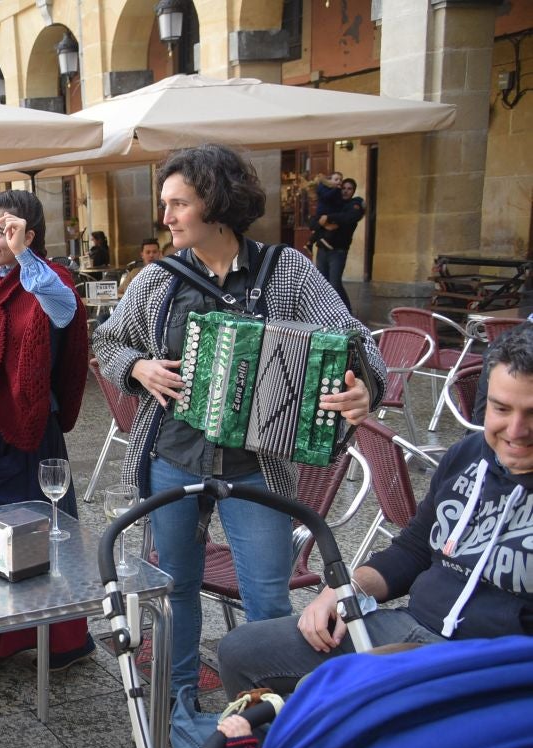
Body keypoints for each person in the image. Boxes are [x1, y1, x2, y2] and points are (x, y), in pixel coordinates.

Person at [92, 143, 387, 695]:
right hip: (172, 458)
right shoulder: (160, 280)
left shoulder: (287, 271)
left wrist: (362, 389)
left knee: (269, 599)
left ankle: (265, 712)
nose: (166, 216)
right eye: (166, 203)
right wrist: (139, 368)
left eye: (178, 204)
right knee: (173, 587)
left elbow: (354, 340)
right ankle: (178, 700)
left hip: (259, 467)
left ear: (216, 205)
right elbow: (106, 342)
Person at [219, 321, 533, 698]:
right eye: (501, 408)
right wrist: (346, 591)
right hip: (411, 627)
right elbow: (414, 549)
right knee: (241, 651)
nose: (515, 430)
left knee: (336, 704)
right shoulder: (467, 456)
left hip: (491, 668)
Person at [0, 190, 94, 670]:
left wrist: (26, 256)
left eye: (2, 230)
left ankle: (58, 638)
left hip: (25, 420)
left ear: (29, 235)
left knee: (29, 529)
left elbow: (62, 306)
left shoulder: (50, 280)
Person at [313, 177, 365, 312]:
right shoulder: (333, 202)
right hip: (322, 249)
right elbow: (314, 222)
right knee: (322, 284)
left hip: (338, 251)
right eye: (344, 188)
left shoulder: (355, 203)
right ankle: (326, 312)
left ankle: (347, 312)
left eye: (350, 189)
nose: (346, 191)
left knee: (335, 284)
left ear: (353, 191)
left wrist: (329, 218)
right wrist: (321, 222)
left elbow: (350, 217)